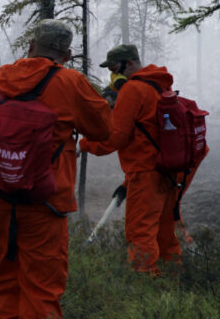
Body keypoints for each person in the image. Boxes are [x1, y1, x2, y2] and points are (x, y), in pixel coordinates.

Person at [0, 19, 112, 319]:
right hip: (46, 199)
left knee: (6, 272)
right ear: (65, 54)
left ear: (31, 46)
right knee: (43, 280)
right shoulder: (71, 82)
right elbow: (104, 130)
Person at [79, 44, 202, 275]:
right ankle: (173, 281)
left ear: (131, 63)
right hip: (168, 172)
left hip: (146, 174)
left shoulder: (133, 90)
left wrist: (85, 144)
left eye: (116, 67)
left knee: (140, 231)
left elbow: (115, 137)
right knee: (165, 231)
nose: (113, 74)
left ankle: (144, 284)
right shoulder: (158, 86)